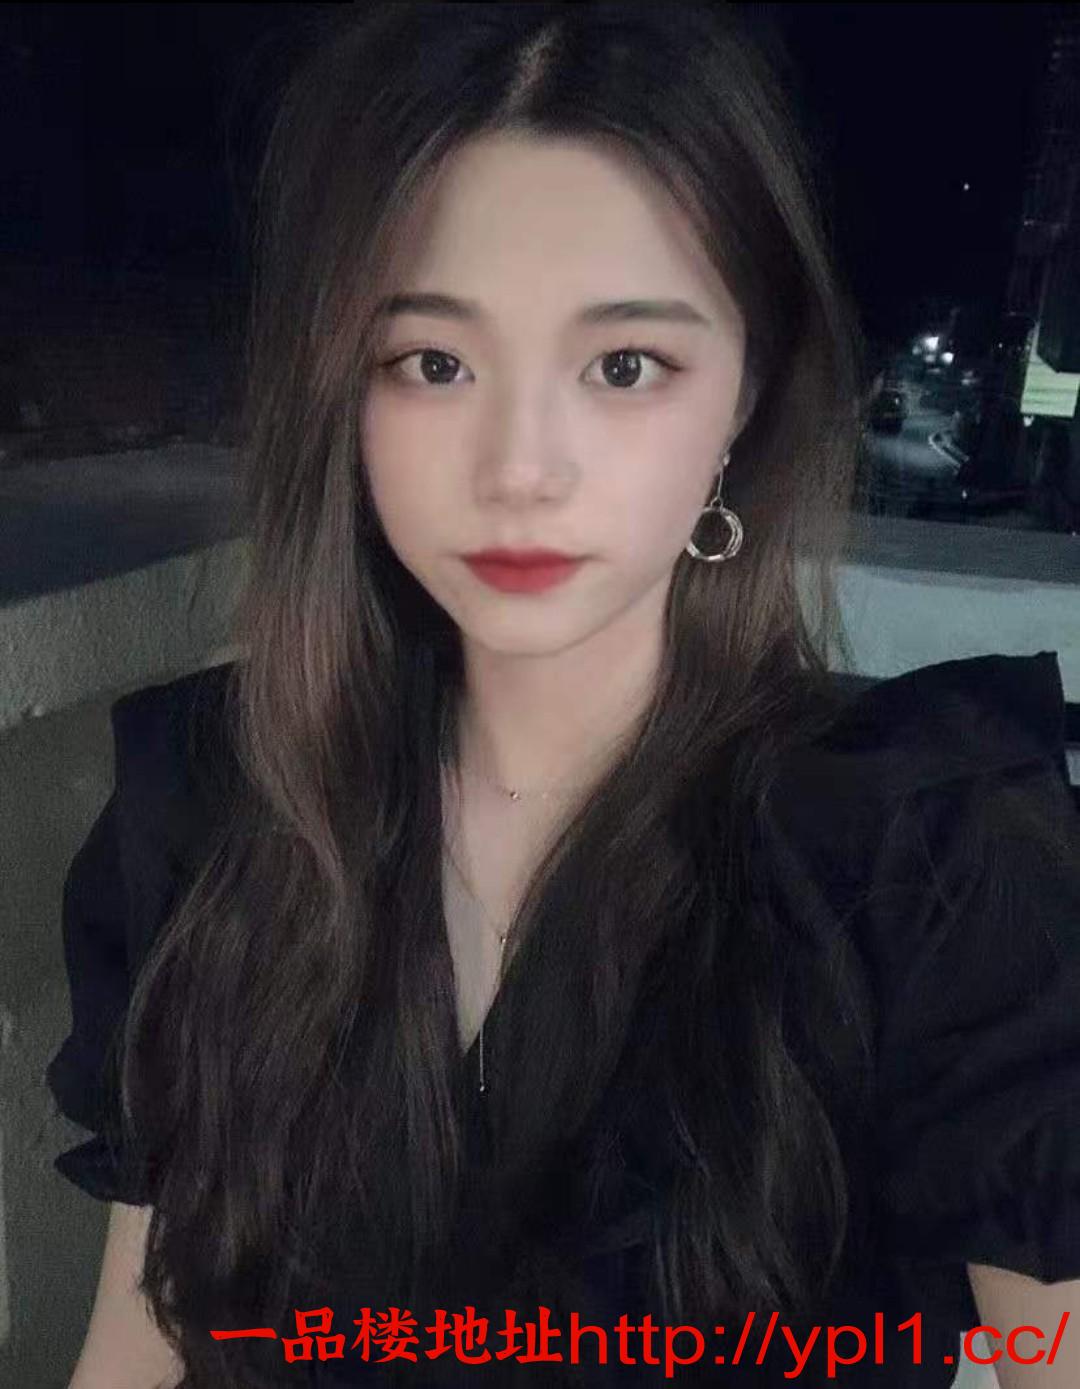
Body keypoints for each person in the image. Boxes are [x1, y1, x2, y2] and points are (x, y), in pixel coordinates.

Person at [45, 4, 1080, 1387]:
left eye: (624, 366)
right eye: (434, 363)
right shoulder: (214, 805)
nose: (519, 467)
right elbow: (140, 1339)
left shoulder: (924, 861)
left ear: (745, 398)